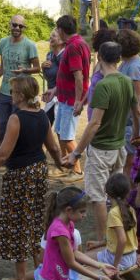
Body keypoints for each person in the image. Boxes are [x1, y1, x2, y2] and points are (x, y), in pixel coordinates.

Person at [0, 75, 64, 280]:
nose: (11, 94)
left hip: (20, 175)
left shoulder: (16, 119)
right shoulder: (42, 116)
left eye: (13, 90)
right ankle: (42, 270)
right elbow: (53, 147)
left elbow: (2, 154)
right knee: (35, 221)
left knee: (17, 223)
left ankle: (20, 277)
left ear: (21, 94)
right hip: (38, 171)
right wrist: (60, 163)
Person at [62, 42, 139, 248]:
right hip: (119, 147)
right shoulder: (126, 81)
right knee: (116, 193)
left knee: (97, 197)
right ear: (119, 58)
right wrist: (137, 135)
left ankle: (104, 240)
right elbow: (137, 110)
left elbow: (94, 123)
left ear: (99, 57)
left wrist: (76, 153)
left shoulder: (104, 85)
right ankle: (118, 233)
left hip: (101, 150)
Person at [22, 187, 118, 280]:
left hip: (62, 277)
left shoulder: (68, 224)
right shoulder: (60, 231)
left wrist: (101, 266)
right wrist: (98, 278)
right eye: (82, 212)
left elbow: (75, 252)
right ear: (69, 210)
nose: (85, 215)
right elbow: (71, 262)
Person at [0, 15, 40, 143]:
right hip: (4, 92)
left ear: (24, 28)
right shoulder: (3, 42)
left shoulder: (30, 45)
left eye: (20, 26)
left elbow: (37, 68)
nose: (17, 28)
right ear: (10, 25)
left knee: (18, 126)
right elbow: (2, 66)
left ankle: (16, 155)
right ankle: (5, 155)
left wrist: (24, 70)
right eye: (14, 25)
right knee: (2, 126)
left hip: (21, 94)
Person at [92, 173, 138, 280]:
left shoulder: (113, 213)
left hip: (120, 258)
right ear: (128, 192)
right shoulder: (130, 209)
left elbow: (122, 240)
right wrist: (99, 244)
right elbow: (127, 237)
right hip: (132, 256)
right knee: (93, 255)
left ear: (107, 192)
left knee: (81, 259)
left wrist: (115, 265)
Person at [54, 15, 91, 179]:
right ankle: (67, 166)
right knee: (61, 133)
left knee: (68, 136)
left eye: (57, 29)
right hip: (64, 98)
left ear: (61, 30)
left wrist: (77, 101)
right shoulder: (78, 43)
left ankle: (77, 170)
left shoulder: (74, 47)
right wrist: (55, 91)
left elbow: (78, 76)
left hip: (70, 100)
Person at [117, 30, 140, 177]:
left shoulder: (134, 67)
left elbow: (137, 99)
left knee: (128, 163)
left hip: (130, 124)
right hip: (124, 122)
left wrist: (136, 128)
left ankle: (127, 195)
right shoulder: (126, 63)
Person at [42, 28, 64, 125]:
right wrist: (43, 67)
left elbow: (66, 78)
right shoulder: (49, 55)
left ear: (61, 40)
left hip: (62, 98)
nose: (51, 37)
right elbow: (47, 77)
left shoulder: (65, 55)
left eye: (54, 36)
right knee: (45, 127)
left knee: (62, 132)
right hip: (50, 96)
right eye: (50, 35)